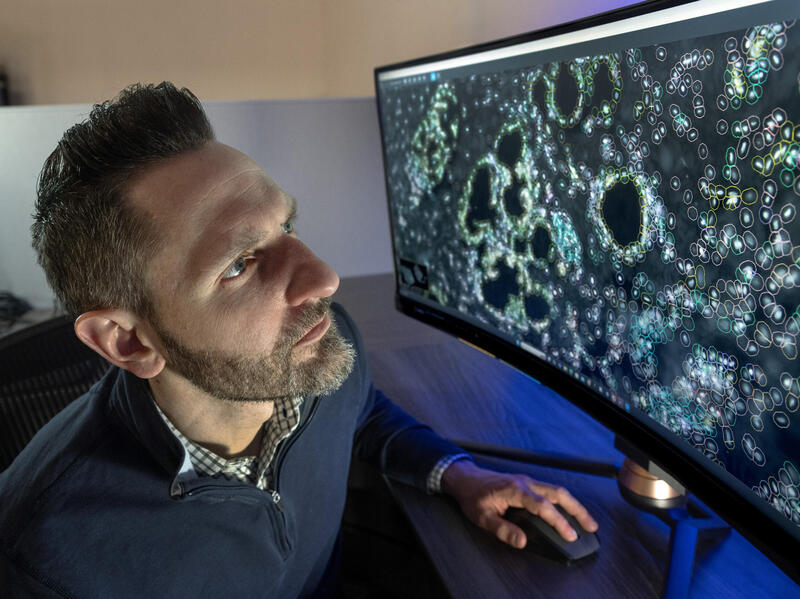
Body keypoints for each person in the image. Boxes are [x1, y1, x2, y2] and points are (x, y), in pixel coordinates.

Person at [0, 82, 597, 598]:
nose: (324, 280)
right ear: (128, 342)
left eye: (285, 225)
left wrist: (457, 474)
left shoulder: (309, 349)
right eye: (239, 264)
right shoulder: (49, 562)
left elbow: (358, 409)